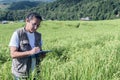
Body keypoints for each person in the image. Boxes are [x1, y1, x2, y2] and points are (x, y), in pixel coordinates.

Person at [9, 12, 45, 80]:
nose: (35, 27)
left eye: (38, 25)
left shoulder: (38, 35)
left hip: (35, 72)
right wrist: (30, 52)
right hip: (21, 74)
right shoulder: (18, 34)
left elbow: (39, 51)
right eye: (34, 24)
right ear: (27, 21)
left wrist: (42, 55)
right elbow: (13, 54)